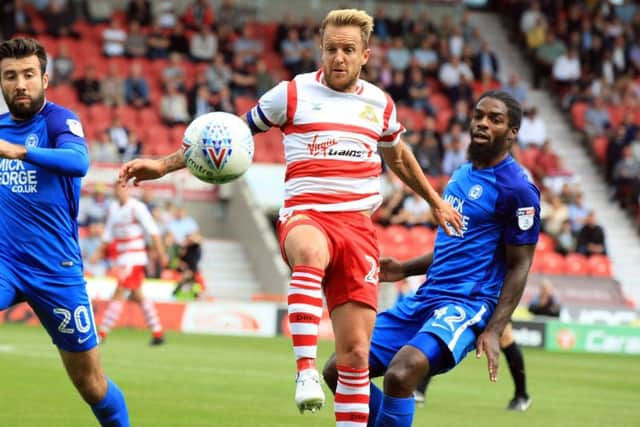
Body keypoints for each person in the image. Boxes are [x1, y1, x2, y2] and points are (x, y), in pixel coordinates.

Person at [118, 9, 462, 425]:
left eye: (348, 50)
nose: (338, 57)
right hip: (307, 214)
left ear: (365, 55)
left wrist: (434, 200)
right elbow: (228, 138)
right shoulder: (291, 94)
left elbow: (399, 157)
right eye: (331, 48)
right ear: (321, 49)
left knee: (354, 355)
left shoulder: (380, 105)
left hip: (358, 228)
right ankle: (304, 372)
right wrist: (163, 164)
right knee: (310, 254)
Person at [323, 90, 541, 426]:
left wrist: (495, 330)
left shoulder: (517, 190)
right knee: (340, 370)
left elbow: (520, 265)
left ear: (512, 132)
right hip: (427, 296)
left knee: (401, 373)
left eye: (495, 120)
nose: (482, 123)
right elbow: (456, 246)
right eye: (479, 115)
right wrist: (405, 268)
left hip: (467, 305)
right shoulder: (462, 173)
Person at [0, 38, 129, 426]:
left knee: (91, 385)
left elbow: (78, 161)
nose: (20, 83)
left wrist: (19, 151)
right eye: (10, 76)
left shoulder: (58, 120)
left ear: (44, 79)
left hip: (56, 270)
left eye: (28, 75)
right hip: (6, 263)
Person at [377, 249, 533, 412]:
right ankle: (420, 390)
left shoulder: (508, 240)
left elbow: (518, 262)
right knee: (438, 332)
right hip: (466, 290)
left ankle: (522, 395)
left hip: (492, 293)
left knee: (505, 338)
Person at [90, 183, 167, 345]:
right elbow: (108, 233)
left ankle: (102, 333)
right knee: (138, 296)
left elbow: (152, 231)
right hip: (122, 258)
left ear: (129, 190)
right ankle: (158, 332)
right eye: (117, 188)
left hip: (134, 258)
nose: (119, 191)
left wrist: (161, 253)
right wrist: (98, 252)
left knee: (119, 292)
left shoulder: (137, 207)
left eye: (123, 188)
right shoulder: (113, 208)